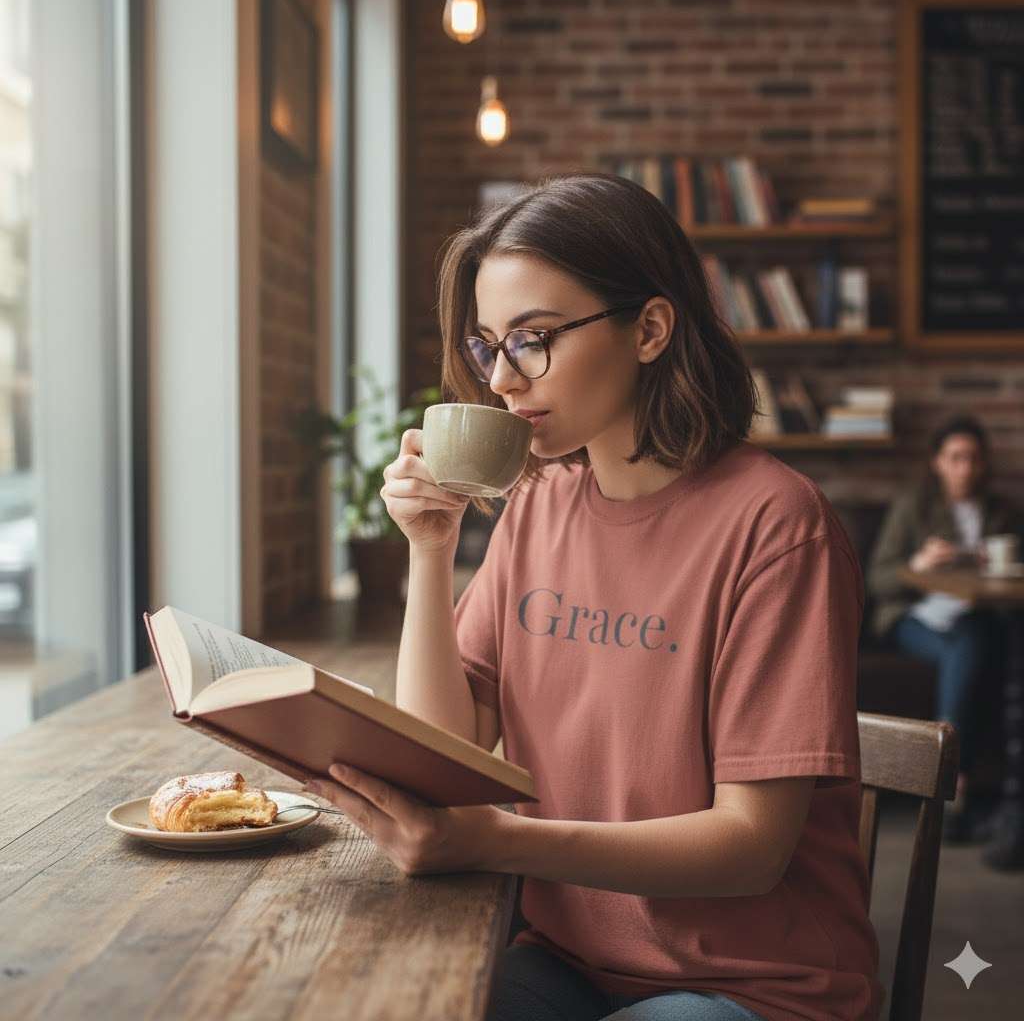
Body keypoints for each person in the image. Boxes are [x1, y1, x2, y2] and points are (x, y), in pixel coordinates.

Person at [305, 174, 882, 1021]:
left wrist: (499, 840)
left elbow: (751, 849)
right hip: (565, 960)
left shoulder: (777, 525)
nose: (502, 379)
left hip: (750, 986)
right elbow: (443, 749)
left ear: (649, 329)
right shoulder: (537, 506)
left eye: (533, 339)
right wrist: (430, 552)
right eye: (487, 345)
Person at [867, 416, 1022, 848]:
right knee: (969, 645)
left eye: (973, 458)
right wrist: (919, 565)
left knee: (975, 638)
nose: (965, 467)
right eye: (956, 458)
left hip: (973, 616)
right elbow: (878, 579)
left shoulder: (1000, 512)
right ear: (938, 462)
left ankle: (951, 784)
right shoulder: (914, 506)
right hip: (913, 617)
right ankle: (954, 778)